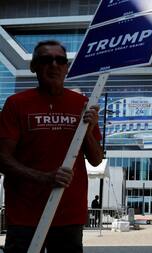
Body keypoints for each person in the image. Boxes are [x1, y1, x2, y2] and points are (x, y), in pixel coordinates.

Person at [0, 40, 103, 253]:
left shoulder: (82, 104)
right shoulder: (16, 104)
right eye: (46, 59)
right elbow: (2, 158)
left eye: (60, 60)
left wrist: (88, 129)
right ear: (34, 67)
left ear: (66, 68)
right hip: (25, 213)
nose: (54, 64)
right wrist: (44, 178)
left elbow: (96, 159)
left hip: (68, 213)